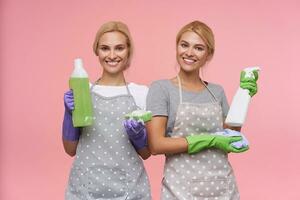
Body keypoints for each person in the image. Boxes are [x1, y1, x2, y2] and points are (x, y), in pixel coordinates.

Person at [146, 21, 258, 199]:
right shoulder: (161, 89)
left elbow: (232, 139)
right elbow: (156, 145)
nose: (189, 53)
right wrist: (208, 139)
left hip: (222, 186)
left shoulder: (216, 92)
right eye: (184, 45)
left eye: (198, 48)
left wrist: (243, 96)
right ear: (177, 47)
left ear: (209, 54)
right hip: (180, 189)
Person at [62, 21, 151, 200]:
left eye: (119, 48)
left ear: (128, 51)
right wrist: (69, 114)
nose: (112, 55)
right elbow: (70, 149)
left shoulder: (141, 93)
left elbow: (146, 153)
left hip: (130, 189)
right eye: (105, 48)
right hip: (85, 188)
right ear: (96, 51)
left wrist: (139, 137)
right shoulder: (83, 90)